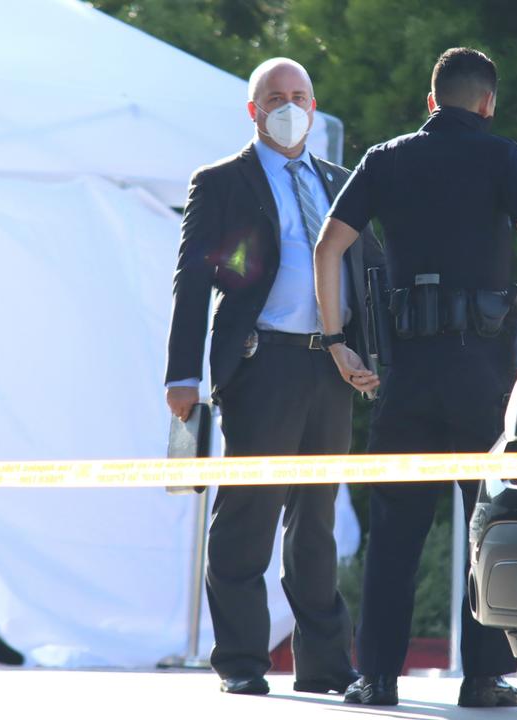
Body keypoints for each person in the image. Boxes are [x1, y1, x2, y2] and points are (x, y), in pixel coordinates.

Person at [313, 47, 517, 708]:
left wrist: (338, 340)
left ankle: (375, 678)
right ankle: (484, 678)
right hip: (484, 373)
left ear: (431, 101)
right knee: (484, 524)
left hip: (407, 372)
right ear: (487, 103)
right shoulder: (503, 156)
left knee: (395, 531)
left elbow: (328, 245)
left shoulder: (385, 159)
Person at [164, 57, 382, 696]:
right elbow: (193, 279)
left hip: (331, 363)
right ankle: (240, 661)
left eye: (299, 96)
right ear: (253, 110)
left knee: (316, 519)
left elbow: (367, 274)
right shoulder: (223, 181)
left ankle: (324, 664)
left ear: (314, 107)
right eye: (275, 97)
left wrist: (370, 355)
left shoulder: (342, 180)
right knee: (248, 515)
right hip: (262, 363)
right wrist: (182, 374)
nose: (289, 107)